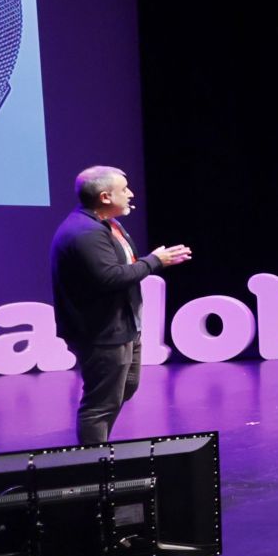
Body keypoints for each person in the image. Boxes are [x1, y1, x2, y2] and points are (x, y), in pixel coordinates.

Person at [50, 165, 193, 444]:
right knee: (100, 405)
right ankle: (96, 464)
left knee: (124, 388)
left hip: (123, 325)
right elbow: (110, 277)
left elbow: (124, 267)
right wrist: (155, 262)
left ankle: (100, 449)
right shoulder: (85, 233)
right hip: (100, 332)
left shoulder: (109, 224)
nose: (130, 194)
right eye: (123, 190)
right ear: (105, 197)